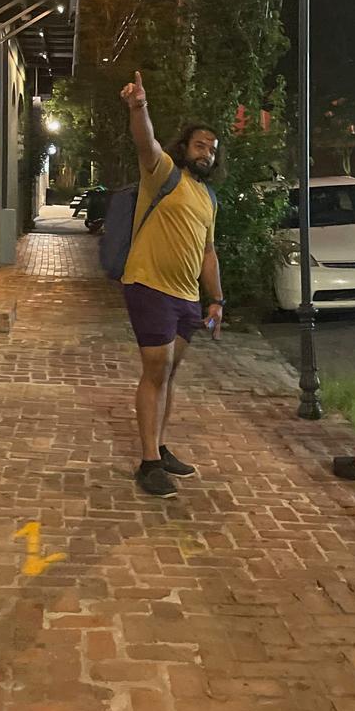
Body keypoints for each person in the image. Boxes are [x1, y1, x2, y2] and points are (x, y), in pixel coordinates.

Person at [119, 71, 224, 498]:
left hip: (187, 297)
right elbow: (147, 142)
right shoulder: (164, 173)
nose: (207, 153)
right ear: (185, 148)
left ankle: (160, 450)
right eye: (201, 145)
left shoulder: (208, 198)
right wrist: (138, 107)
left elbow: (207, 251)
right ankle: (147, 463)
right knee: (156, 370)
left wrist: (216, 298)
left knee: (170, 373)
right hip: (149, 285)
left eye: (213, 150)